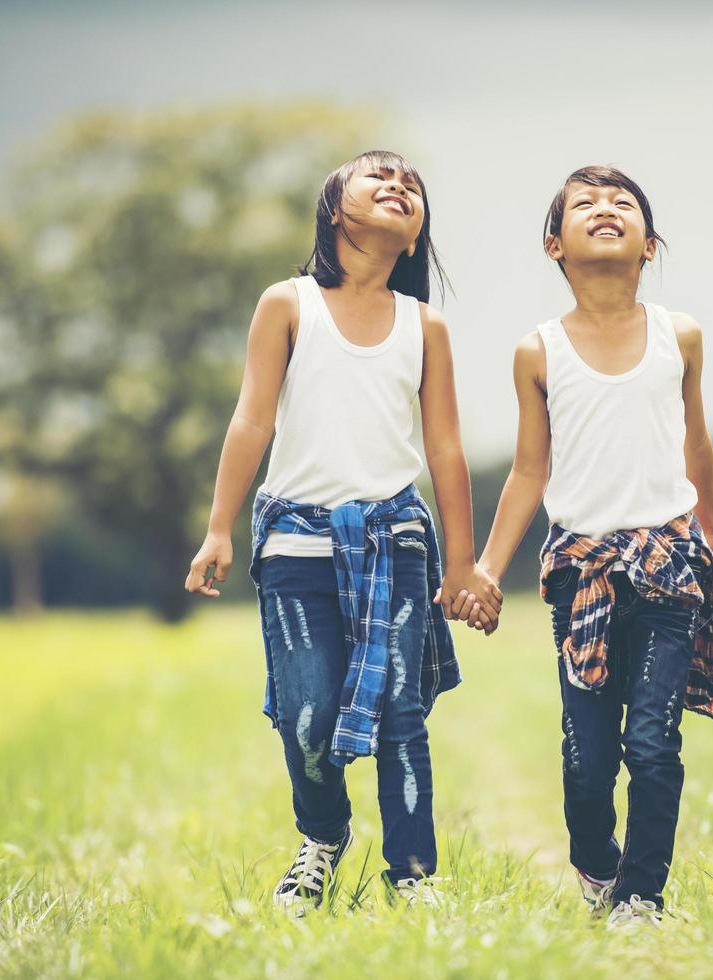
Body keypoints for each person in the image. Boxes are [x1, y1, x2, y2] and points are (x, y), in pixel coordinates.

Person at [185, 150, 501, 915]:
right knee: (307, 714)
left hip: (395, 542)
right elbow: (251, 417)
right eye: (378, 178)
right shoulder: (287, 303)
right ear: (335, 211)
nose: (399, 188)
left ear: (418, 233)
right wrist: (219, 529)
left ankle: (415, 876)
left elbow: (445, 450)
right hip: (294, 542)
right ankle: (323, 835)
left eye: (413, 187)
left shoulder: (425, 327)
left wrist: (461, 564)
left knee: (401, 715)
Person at [476, 165, 713, 927]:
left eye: (622, 204)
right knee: (587, 764)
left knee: (652, 745)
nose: (605, 210)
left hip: (668, 567)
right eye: (585, 204)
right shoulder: (537, 350)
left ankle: (640, 895)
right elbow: (530, 470)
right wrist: (488, 568)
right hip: (580, 574)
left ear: (648, 245)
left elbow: (694, 445)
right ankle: (597, 866)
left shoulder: (678, 336)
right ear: (553, 244)